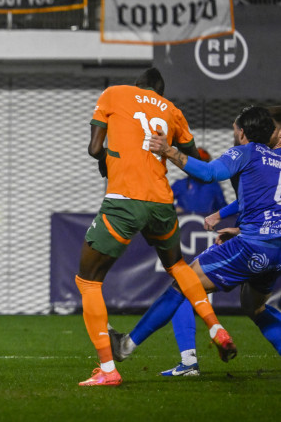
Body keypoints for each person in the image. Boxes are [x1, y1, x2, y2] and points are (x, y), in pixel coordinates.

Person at [76, 67, 235, 386]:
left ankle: (108, 370)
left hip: (125, 199)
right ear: (158, 92)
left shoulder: (114, 94)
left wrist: (108, 161)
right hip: (162, 201)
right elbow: (194, 161)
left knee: (88, 281)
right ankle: (216, 326)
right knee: (177, 265)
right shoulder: (172, 111)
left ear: (138, 85)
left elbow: (95, 149)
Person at [110, 106, 281, 369]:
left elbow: (209, 173)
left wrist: (168, 150)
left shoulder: (247, 152)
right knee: (254, 307)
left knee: (184, 282)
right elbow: (266, 203)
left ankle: (128, 346)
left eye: (234, 130)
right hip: (276, 251)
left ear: (242, 132)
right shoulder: (277, 159)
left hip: (252, 246)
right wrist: (234, 224)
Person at [171, 148, 227, 214]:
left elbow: (223, 208)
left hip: (206, 222)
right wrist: (174, 208)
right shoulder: (180, 184)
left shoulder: (214, 186)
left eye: (203, 164)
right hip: (184, 222)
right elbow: (163, 203)